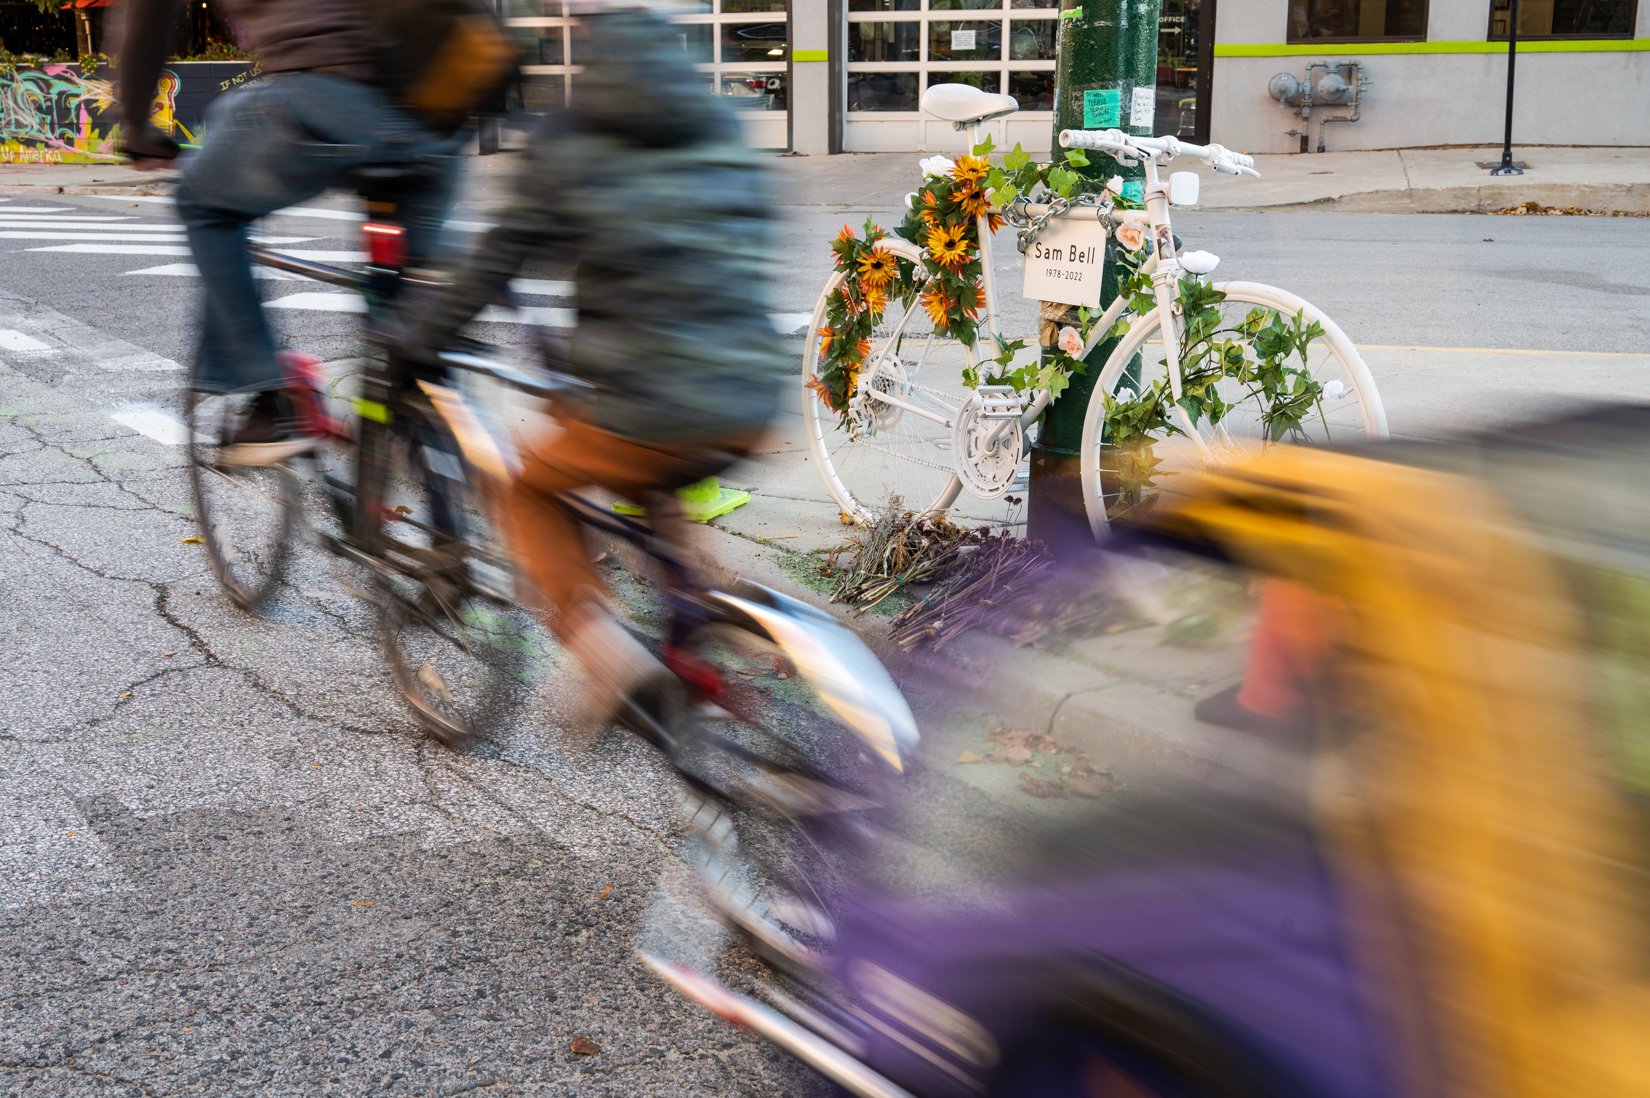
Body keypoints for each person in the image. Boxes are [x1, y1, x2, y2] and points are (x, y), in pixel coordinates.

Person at [397, 4, 786, 728]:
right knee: (652, 461)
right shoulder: (726, 126)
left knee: (528, 492)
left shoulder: (568, 143)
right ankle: (699, 616)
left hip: (647, 402)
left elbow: (492, 263)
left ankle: (607, 658)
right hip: (753, 401)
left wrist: (416, 341)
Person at [117, 0, 467, 464]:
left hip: (322, 95)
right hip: (440, 104)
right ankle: (439, 466)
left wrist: (138, 127)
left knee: (203, 204)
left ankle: (273, 398)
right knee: (409, 318)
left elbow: (146, 20)